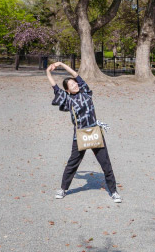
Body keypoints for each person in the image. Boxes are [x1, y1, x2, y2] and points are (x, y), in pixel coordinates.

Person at [47, 61, 120, 203]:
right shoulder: (67, 99)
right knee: (72, 163)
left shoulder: (86, 91)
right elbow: (55, 87)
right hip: (79, 135)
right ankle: (63, 189)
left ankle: (114, 191)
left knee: (105, 163)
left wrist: (62, 64)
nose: (75, 85)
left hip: (94, 132)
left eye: (75, 83)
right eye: (72, 85)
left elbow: (76, 75)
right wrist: (48, 72)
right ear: (67, 90)